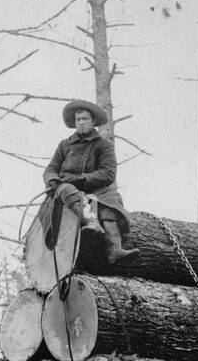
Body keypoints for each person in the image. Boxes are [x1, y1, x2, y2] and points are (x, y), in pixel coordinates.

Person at [42, 99, 138, 263]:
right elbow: (51, 168)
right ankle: (90, 222)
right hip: (67, 191)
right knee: (65, 189)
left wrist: (82, 180)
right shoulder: (65, 145)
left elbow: (108, 173)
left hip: (96, 190)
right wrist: (52, 180)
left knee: (111, 200)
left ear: (93, 121)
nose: (81, 123)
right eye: (78, 120)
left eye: (85, 119)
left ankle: (114, 248)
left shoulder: (103, 145)